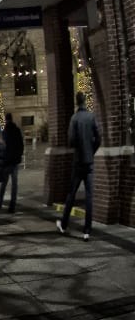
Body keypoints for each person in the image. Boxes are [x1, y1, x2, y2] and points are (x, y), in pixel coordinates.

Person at [59, 92, 101, 240]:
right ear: (85, 102)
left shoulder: (74, 118)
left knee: (71, 194)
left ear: (77, 102)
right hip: (89, 162)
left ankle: (64, 224)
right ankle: (87, 230)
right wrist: (91, 150)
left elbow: (71, 140)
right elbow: (99, 138)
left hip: (78, 162)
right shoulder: (91, 117)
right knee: (89, 196)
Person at [0, 113, 24, 213]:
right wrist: (19, 156)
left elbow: (2, 147)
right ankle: (12, 205)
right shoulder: (17, 130)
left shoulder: (4, 131)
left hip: (6, 161)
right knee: (14, 184)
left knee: (3, 183)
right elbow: (21, 145)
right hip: (15, 161)